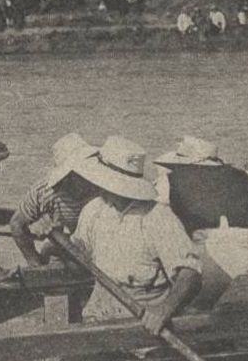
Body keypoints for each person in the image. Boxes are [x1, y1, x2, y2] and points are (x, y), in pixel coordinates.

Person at [66, 136, 202, 332]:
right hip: (99, 312)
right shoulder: (93, 210)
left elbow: (190, 274)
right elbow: (77, 263)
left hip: (144, 318)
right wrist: (55, 243)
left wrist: (164, 310)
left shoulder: (158, 217)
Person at [7, 133, 98, 265]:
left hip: (98, 244)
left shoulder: (102, 183)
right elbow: (16, 224)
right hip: (70, 245)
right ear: (66, 174)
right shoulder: (44, 191)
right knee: (48, 250)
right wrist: (33, 260)